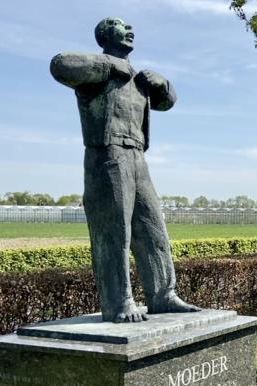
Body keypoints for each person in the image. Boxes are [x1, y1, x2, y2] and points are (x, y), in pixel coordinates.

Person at [50, 17, 200, 322]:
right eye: (121, 26)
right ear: (105, 35)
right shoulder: (98, 69)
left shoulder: (139, 78)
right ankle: (119, 302)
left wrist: (165, 85)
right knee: (114, 232)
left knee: (153, 228)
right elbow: (60, 65)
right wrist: (108, 66)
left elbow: (166, 102)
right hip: (107, 155)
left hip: (137, 157)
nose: (130, 30)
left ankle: (163, 295)